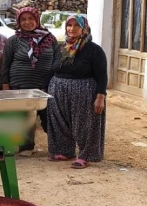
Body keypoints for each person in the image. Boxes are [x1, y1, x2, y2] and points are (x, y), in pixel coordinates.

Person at [47, 15, 107, 169]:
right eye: (69, 25)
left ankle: (85, 155)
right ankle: (64, 151)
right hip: (58, 90)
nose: (72, 29)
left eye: (76, 25)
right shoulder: (61, 48)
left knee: (84, 124)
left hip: (84, 91)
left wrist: (100, 97)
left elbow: (102, 75)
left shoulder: (94, 50)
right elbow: (52, 69)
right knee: (60, 123)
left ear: (84, 28)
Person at [0, 7, 58, 153]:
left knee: (50, 117)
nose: (27, 22)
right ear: (18, 22)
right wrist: (5, 85)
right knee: (24, 118)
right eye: (23, 19)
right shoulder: (14, 40)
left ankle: (58, 146)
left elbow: (57, 62)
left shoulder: (50, 39)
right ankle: (26, 147)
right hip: (20, 86)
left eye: (31, 19)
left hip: (45, 86)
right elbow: (5, 64)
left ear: (37, 20)